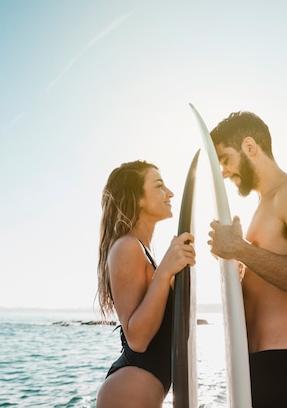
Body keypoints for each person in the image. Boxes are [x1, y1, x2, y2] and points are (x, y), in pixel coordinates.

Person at [207, 111, 287, 408]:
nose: (224, 173)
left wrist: (240, 249)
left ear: (250, 147)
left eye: (225, 159)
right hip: (256, 371)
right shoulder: (260, 208)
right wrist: (231, 263)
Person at [95, 160, 196, 408]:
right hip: (128, 393)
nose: (170, 193)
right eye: (159, 185)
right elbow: (137, 340)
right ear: (138, 198)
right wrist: (164, 273)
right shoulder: (127, 246)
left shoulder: (143, 251)